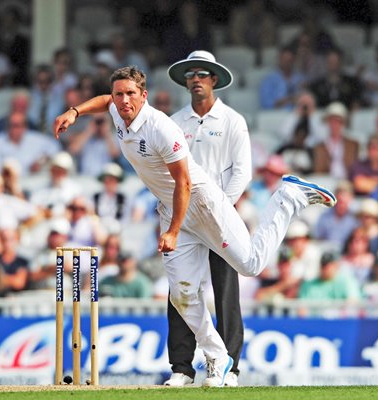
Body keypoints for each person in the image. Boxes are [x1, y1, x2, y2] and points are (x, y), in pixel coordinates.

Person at [53, 66, 336, 387]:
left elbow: (184, 183)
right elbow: (104, 101)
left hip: (201, 203)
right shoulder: (118, 111)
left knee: (252, 265)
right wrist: (75, 111)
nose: (123, 100)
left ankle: (288, 196)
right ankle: (218, 356)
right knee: (182, 295)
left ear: (144, 97)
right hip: (172, 209)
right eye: (120, 94)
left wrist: (172, 230)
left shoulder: (161, 127)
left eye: (131, 94)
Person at [163, 50, 252, 387]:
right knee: (181, 289)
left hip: (220, 218)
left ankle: (230, 367)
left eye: (202, 74)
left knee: (225, 291)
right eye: (191, 75)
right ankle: (182, 368)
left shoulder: (232, 121)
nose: (196, 79)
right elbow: (168, 171)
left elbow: (241, 173)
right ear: (186, 81)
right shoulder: (174, 122)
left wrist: (220, 209)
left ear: (214, 80)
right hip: (185, 219)